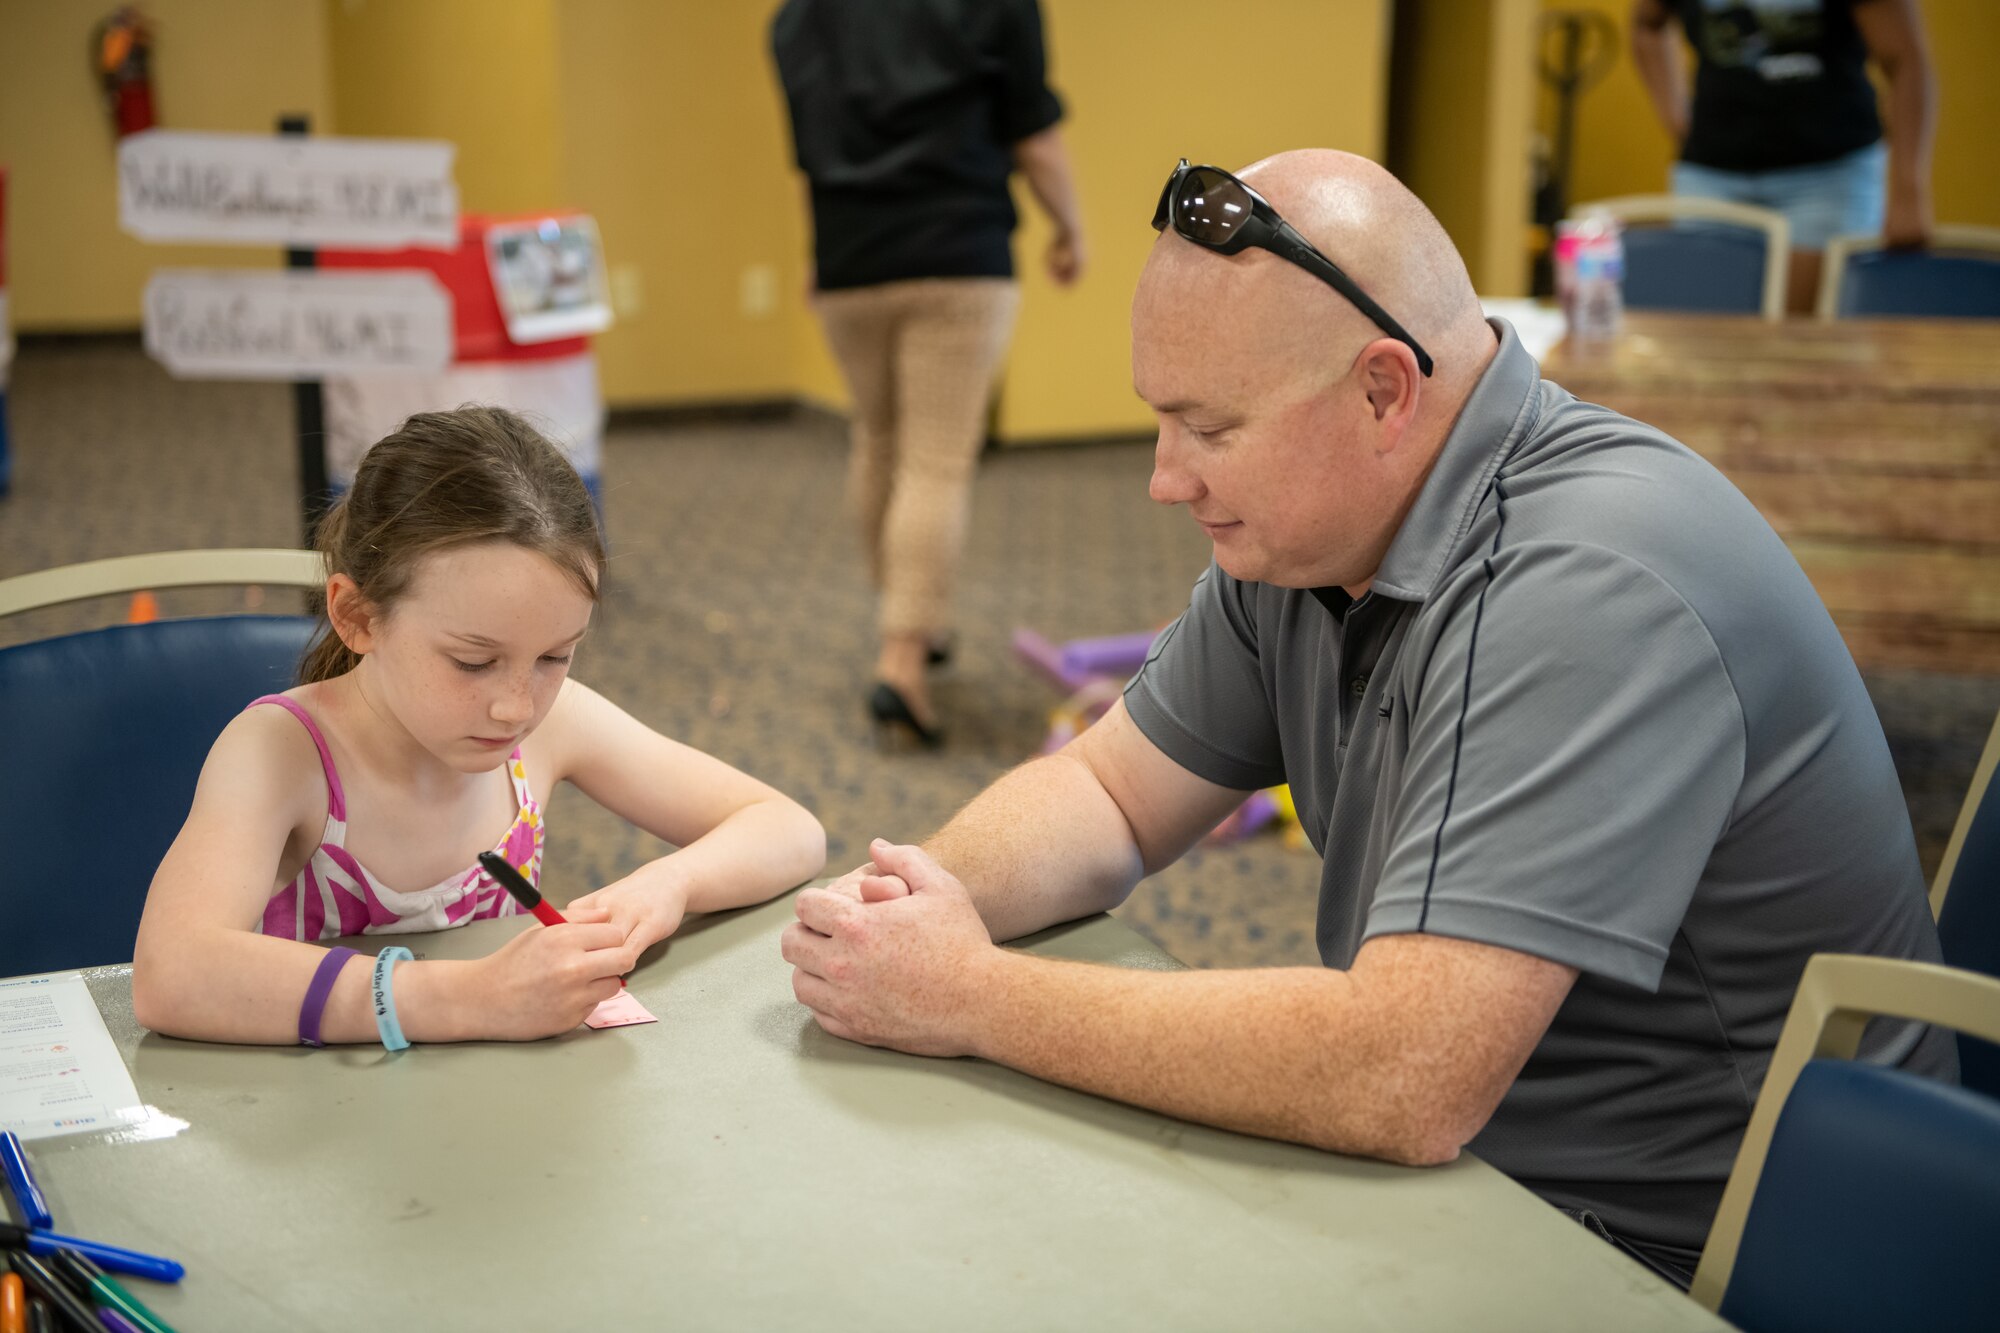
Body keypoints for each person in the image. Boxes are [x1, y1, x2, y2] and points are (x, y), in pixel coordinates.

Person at [780, 151, 1955, 1286]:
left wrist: (972, 995)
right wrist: (903, 913)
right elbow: (1107, 794)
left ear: (1382, 392)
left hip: (1691, 1255)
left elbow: (1399, 1074)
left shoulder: (1588, 587)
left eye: (1210, 427)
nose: (1162, 476)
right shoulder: (1308, 545)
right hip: (1490, 1181)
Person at [132, 407, 825, 1046]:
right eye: (473, 661)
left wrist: (664, 886)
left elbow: (789, 828)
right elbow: (173, 972)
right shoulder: (282, 753)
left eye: (556, 655)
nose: (516, 707)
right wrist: (469, 997)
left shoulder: (554, 727)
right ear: (358, 617)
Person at [771, 0, 1086, 747]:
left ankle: (906, 613)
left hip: (849, 260)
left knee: (877, 439)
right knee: (935, 459)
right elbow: (1034, 137)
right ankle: (903, 662)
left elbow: (811, 158)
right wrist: (1069, 223)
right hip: (957, 252)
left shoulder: (797, 19)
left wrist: (820, 255)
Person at [1631, 0, 1936, 313]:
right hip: (1713, 173)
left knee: (1806, 336)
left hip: (1827, 174)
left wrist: (1908, 190)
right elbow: (1647, 24)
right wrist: (1676, 118)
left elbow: (1905, 60)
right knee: (1710, 329)